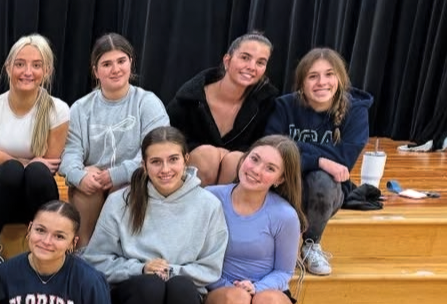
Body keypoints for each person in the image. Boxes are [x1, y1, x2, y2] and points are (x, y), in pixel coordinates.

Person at [85, 127, 228, 304]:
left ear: (186, 159)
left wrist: (169, 271)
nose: (165, 169)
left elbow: (211, 267)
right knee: (150, 285)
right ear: (143, 164)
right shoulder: (121, 201)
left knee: (181, 287)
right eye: (156, 162)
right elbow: (96, 260)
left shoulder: (208, 205)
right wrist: (140, 269)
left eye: (173, 159)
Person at [204, 136, 305, 304]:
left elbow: (284, 272)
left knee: (268, 302)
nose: (256, 170)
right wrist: (231, 288)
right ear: (244, 159)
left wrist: (256, 288)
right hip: (220, 298)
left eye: (270, 168)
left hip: (266, 299)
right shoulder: (210, 198)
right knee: (236, 300)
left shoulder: (284, 215)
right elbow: (198, 257)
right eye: (255, 159)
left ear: (280, 179)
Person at [265, 47, 373, 276]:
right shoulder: (285, 106)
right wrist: (321, 160)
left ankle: (311, 244)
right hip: (285, 182)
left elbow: (344, 159)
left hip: (325, 191)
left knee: (321, 179)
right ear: (301, 83)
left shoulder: (355, 111)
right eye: (313, 76)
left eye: (329, 74)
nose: (321, 82)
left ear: (340, 78)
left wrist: (296, 150)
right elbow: (272, 149)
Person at [60, 33, 170, 248]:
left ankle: (119, 254)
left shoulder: (148, 103)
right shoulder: (80, 108)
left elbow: (156, 152)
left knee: (122, 189)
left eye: (121, 61)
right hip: (94, 182)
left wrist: (117, 174)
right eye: (107, 64)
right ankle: (84, 255)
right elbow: (69, 153)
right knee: (86, 190)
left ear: (131, 62)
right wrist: (80, 176)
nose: (116, 69)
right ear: (95, 71)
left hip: (133, 179)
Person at [0, 35, 70, 257]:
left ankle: (42, 253)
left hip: (36, 198)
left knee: (35, 173)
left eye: (36, 65)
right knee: (12, 172)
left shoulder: (58, 110)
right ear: (8, 67)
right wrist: (19, 164)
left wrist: (0, 157)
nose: (27, 72)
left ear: (47, 71)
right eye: (20, 64)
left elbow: (47, 170)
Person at [167, 31, 278, 187]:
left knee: (236, 160)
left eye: (260, 62)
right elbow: (167, 138)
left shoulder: (266, 102)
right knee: (207, 156)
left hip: (236, 180)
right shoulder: (190, 97)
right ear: (227, 60)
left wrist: (227, 156)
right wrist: (209, 153)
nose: (251, 67)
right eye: (245, 58)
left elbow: (263, 145)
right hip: (187, 173)